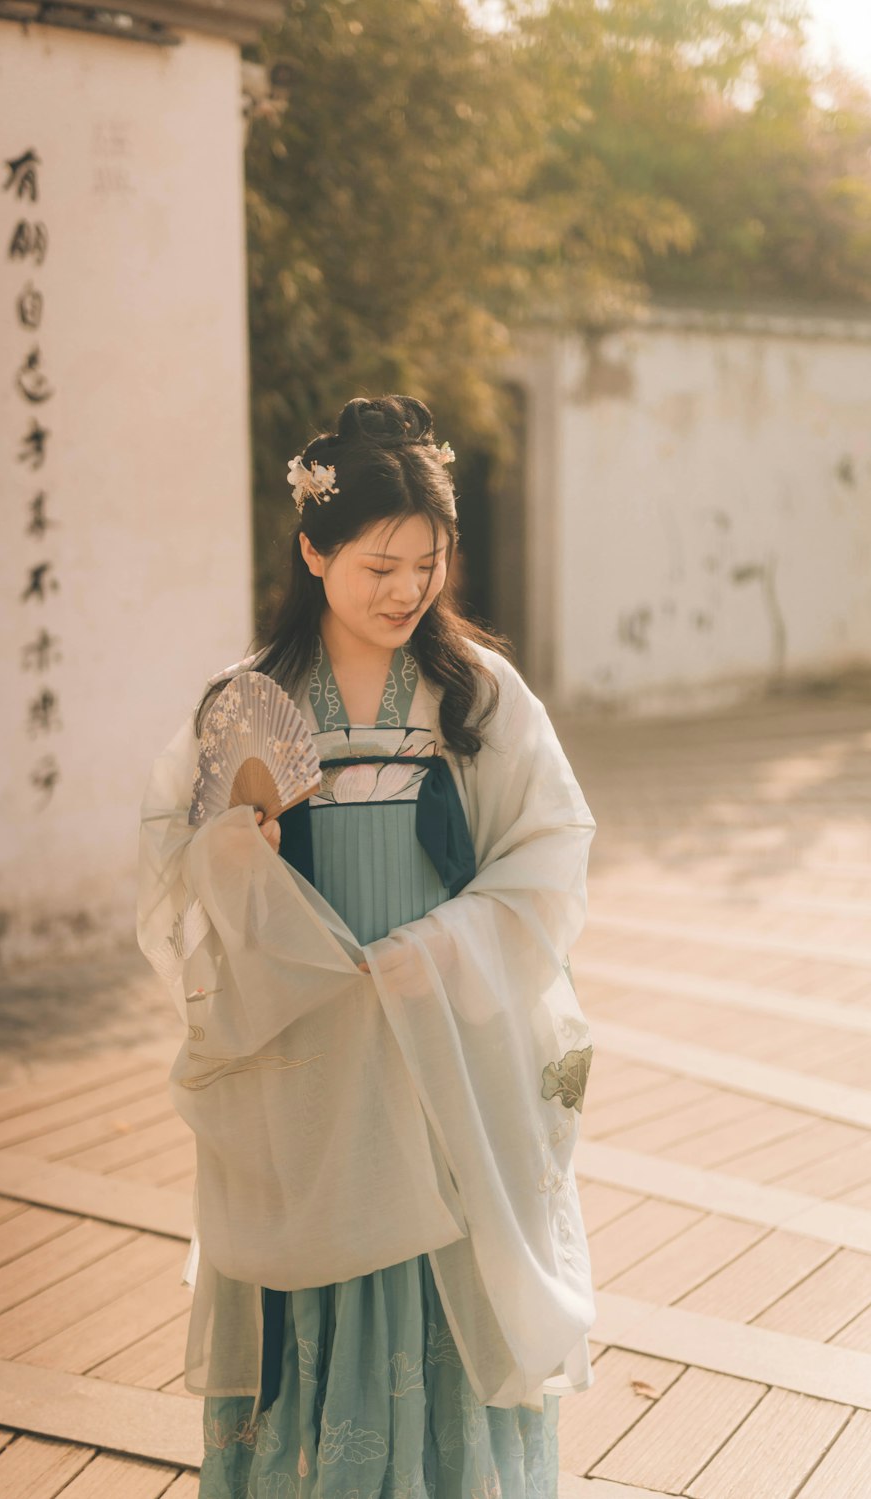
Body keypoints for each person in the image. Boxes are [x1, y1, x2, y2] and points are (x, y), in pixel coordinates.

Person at [136, 394, 598, 1499]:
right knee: (317, 1246)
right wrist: (236, 854)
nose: (405, 590)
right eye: (376, 565)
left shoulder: (476, 694)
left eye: (425, 563)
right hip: (307, 1037)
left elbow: (548, 849)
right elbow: (178, 859)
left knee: (441, 1251)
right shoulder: (247, 699)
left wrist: (439, 948)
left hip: (441, 1034)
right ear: (311, 551)